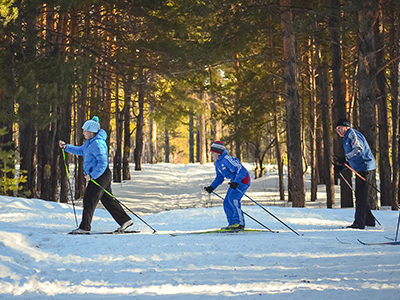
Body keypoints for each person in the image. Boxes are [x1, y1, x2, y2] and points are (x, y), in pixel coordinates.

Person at [59, 116, 133, 234]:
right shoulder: (89, 142)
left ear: (91, 132)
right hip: (100, 174)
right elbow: (80, 151)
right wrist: (66, 147)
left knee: (89, 199)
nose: (83, 132)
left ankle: (84, 227)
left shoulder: (98, 143)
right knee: (107, 199)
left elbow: (103, 163)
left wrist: (92, 175)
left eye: (85, 131)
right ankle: (125, 220)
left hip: (100, 175)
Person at [334, 118, 377, 229]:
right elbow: (352, 158)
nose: (338, 131)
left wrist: (345, 158)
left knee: (361, 195)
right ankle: (369, 220)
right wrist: (342, 167)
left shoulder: (352, 134)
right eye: (337, 129)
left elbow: (358, 150)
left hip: (365, 167)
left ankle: (359, 222)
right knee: (359, 194)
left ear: (346, 127)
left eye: (340, 128)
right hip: (359, 168)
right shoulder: (346, 138)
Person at [204, 141, 251, 231]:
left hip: (243, 180)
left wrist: (236, 182)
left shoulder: (227, 159)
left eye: (212, 153)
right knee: (226, 202)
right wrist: (212, 187)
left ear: (218, 152)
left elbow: (241, 170)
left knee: (233, 199)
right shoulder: (218, 163)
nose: (211, 155)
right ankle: (232, 223)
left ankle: (239, 223)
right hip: (235, 181)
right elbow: (219, 177)